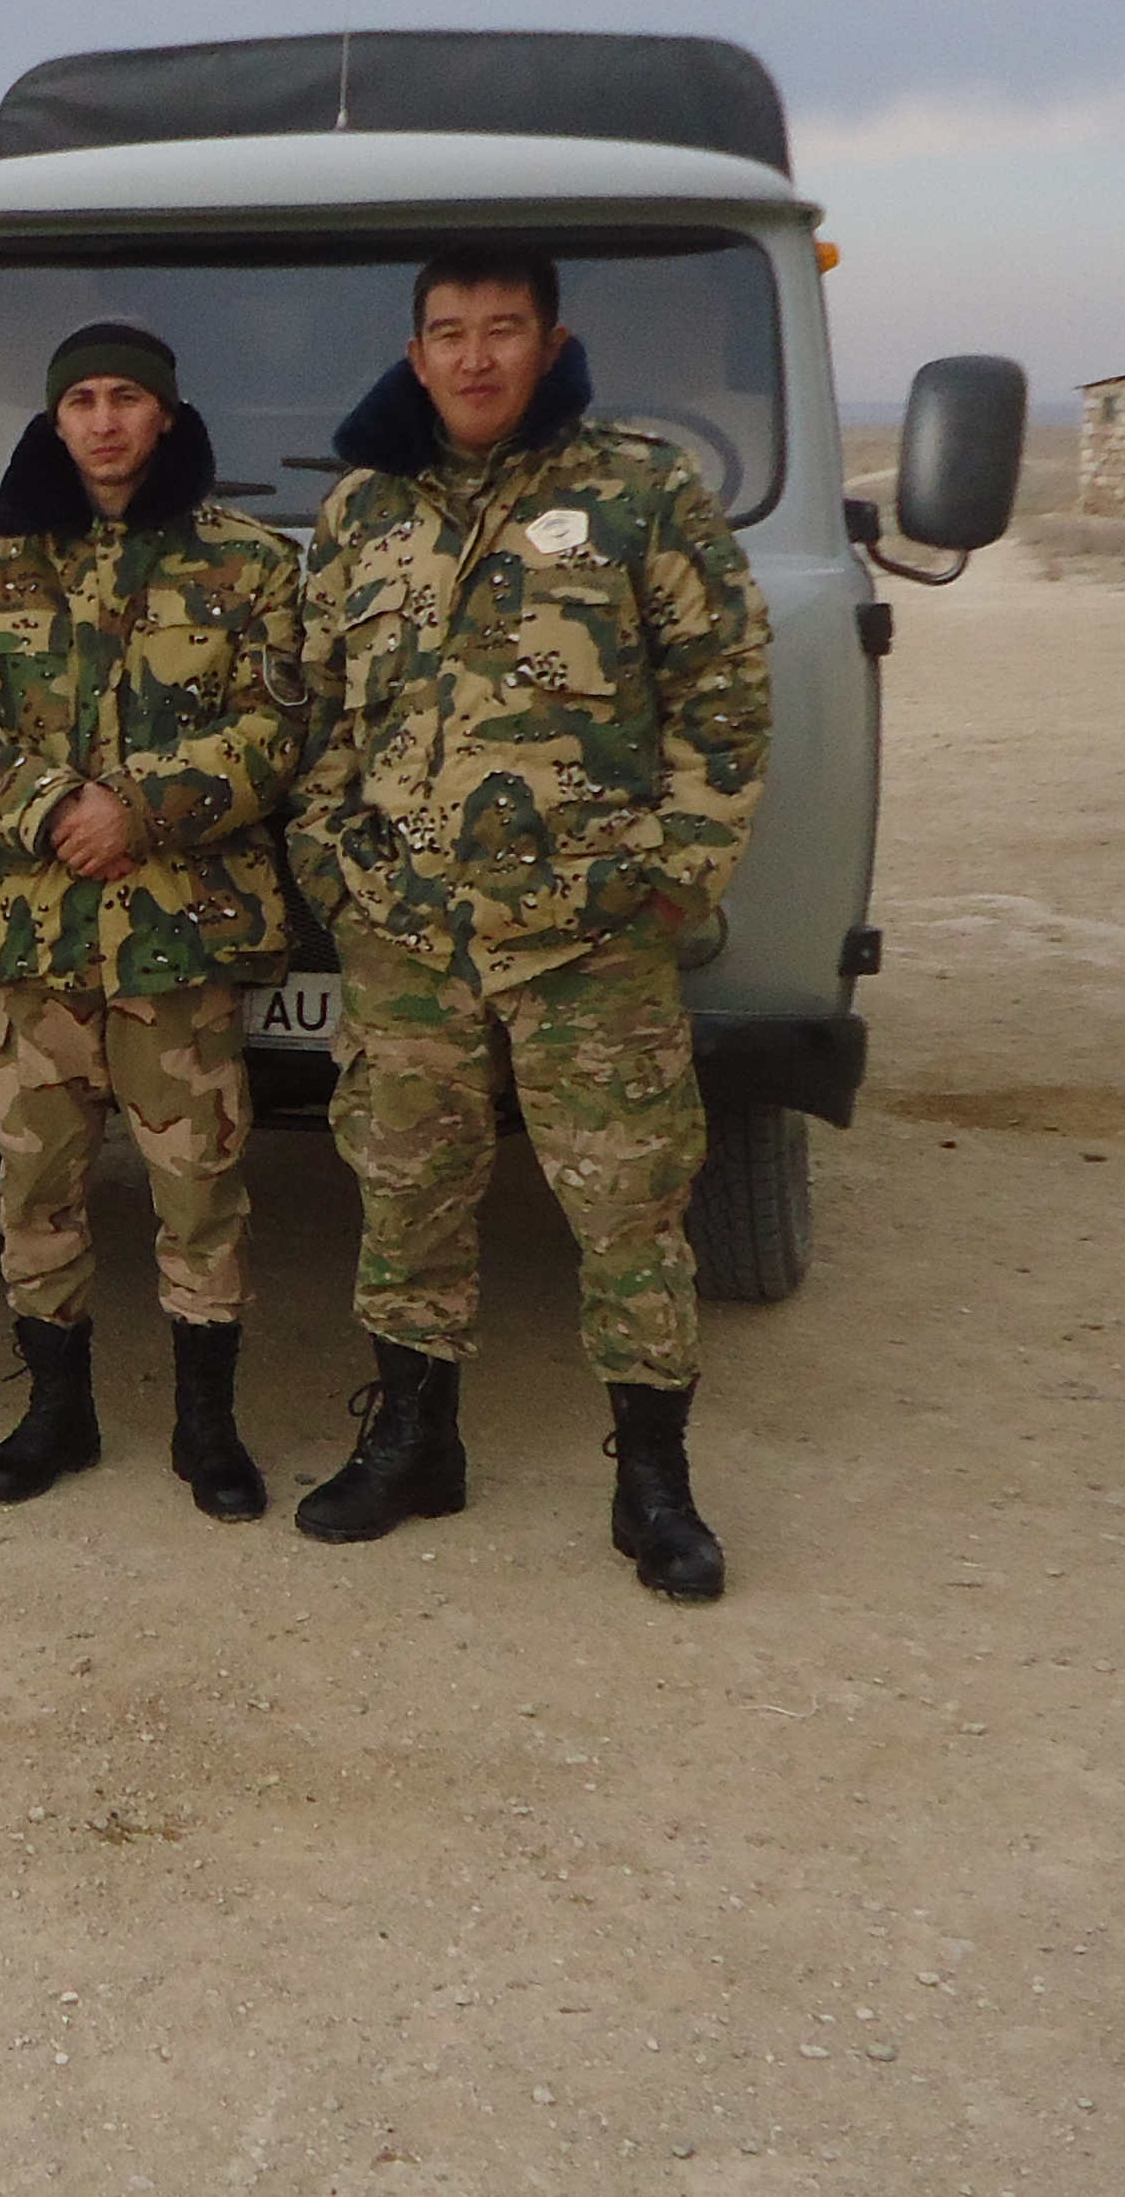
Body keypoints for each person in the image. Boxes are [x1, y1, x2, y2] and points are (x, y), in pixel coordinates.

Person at [287, 251, 771, 1594]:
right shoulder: (364, 509)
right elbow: (317, 709)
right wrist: (335, 872)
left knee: (628, 1207)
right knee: (406, 1195)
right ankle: (414, 1445)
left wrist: (678, 876)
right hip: (409, 936)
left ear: (553, 347)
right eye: (449, 332)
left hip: (589, 936)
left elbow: (723, 690)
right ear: (417, 353)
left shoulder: (639, 490)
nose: (476, 356)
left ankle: (654, 1485)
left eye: (504, 329)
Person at [0, 321, 316, 1520]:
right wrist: (50, 808)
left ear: (168, 418)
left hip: (176, 937)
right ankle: (57, 1412)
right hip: (34, 939)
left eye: (127, 399)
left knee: (201, 1187)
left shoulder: (248, 566)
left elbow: (275, 729)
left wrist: (138, 809)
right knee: (35, 1187)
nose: (103, 421)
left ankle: (207, 1427)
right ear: (54, 420)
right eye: (81, 399)